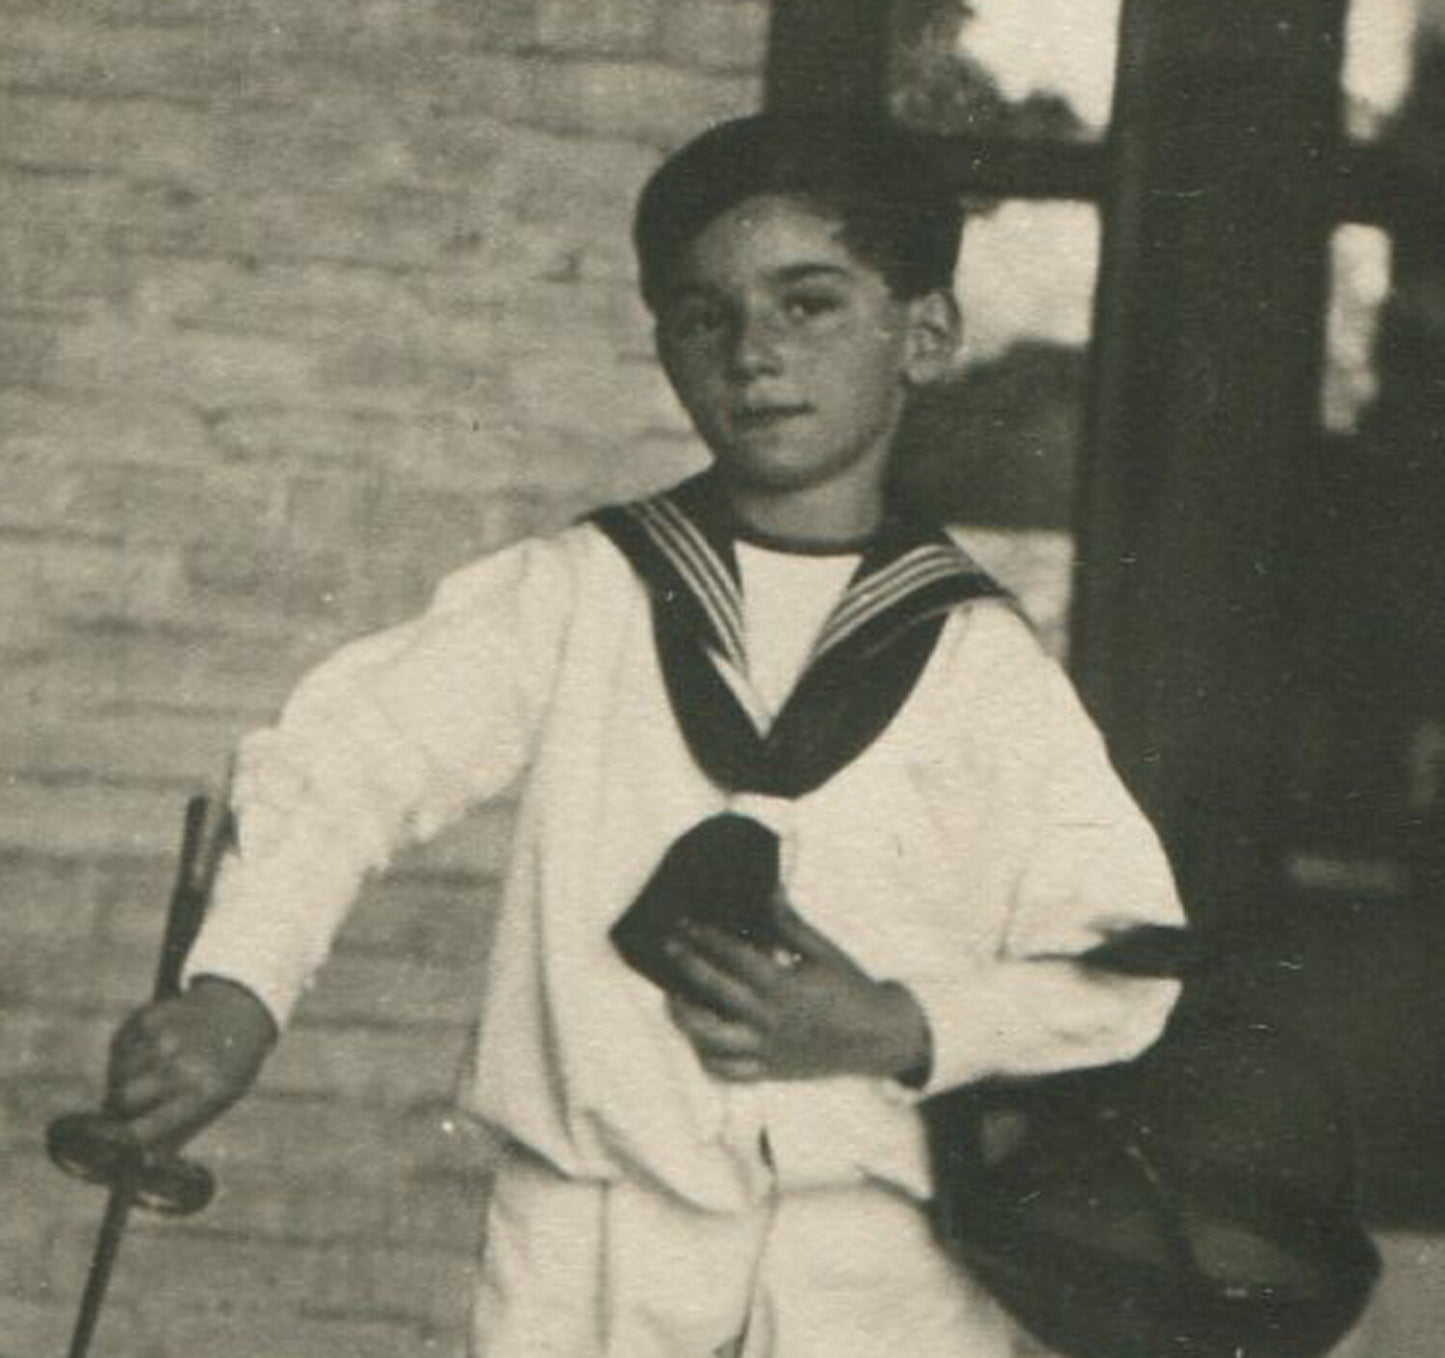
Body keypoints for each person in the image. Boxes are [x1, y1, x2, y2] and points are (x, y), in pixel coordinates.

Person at [103, 113, 1185, 1356]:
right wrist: (238, 987)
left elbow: (1125, 967)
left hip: (880, 1267)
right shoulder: (580, 593)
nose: (754, 354)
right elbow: (347, 763)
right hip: (591, 1248)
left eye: (810, 303)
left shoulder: (975, 657)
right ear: (663, 343)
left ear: (922, 334)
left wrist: (900, 1023)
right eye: (702, 314)